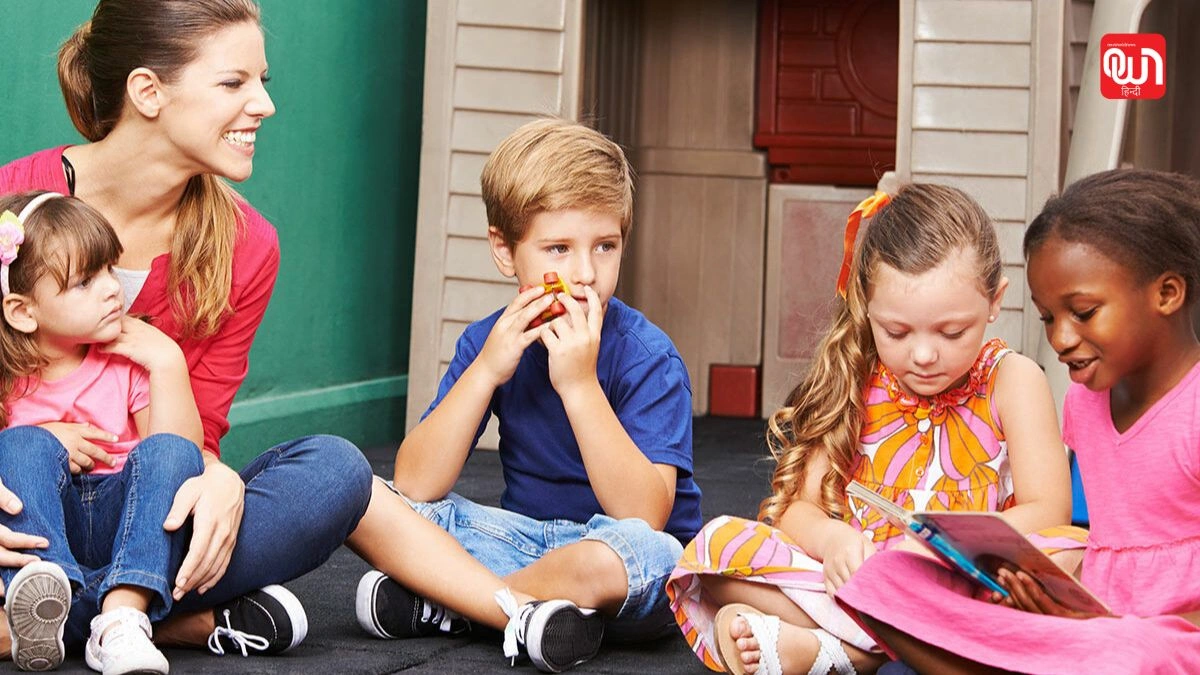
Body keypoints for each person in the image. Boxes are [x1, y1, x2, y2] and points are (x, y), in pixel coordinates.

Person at [0, 0, 373, 663]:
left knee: (335, 474)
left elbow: (189, 447)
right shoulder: (14, 211)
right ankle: (138, 616)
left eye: (262, 81)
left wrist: (218, 477)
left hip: (142, 512)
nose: (264, 105)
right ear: (148, 91)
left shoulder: (247, 245)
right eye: (234, 82)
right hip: (20, 516)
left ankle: (59, 615)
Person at [666, 184, 1072, 674]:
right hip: (859, 587)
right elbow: (797, 512)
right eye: (896, 332)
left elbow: (1049, 511)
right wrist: (834, 540)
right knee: (718, 546)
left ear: (994, 300)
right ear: (867, 307)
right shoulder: (858, 377)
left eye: (952, 332)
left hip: (965, 584)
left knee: (1072, 554)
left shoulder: (1012, 381)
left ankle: (839, 653)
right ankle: (882, 647)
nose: (924, 355)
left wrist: (940, 547)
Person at [349, 118, 703, 672]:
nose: (585, 273)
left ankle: (464, 604)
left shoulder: (648, 357)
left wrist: (579, 385)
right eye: (558, 248)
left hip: (624, 566)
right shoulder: (486, 342)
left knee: (647, 556)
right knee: (363, 496)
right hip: (521, 542)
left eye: (605, 247)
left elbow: (644, 515)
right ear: (504, 250)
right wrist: (487, 370)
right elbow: (417, 483)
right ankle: (534, 611)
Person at [835, 169, 1200, 674]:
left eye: (1084, 312)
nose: (1061, 339)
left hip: (1166, 639)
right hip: (1092, 627)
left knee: (1132, 651)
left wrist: (1115, 626)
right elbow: (1108, 552)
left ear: (1167, 293)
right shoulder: (1086, 402)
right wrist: (1056, 603)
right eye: (1048, 318)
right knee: (885, 579)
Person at [0, 191, 205, 674]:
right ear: (23, 312)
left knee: (170, 450)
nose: (113, 289)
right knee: (20, 445)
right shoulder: (8, 383)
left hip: (128, 528)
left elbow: (178, 459)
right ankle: (46, 598)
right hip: (46, 540)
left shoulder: (128, 362)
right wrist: (45, 440)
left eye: (111, 269)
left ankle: (122, 614)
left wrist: (167, 363)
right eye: (86, 282)